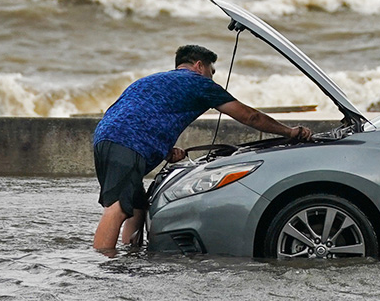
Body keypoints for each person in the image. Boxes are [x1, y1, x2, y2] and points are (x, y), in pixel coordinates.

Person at [91, 42, 314, 255]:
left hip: (106, 138)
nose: (212, 77)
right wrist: (290, 132)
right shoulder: (198, 82)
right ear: (199, 65)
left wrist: (165, 150)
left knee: (137, 205)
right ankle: (104, 266)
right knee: (118, 207)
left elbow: (141, 116)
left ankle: (131, 252)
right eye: (212, 71)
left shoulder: (151, 81)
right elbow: (250, 116)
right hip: (126, 143)